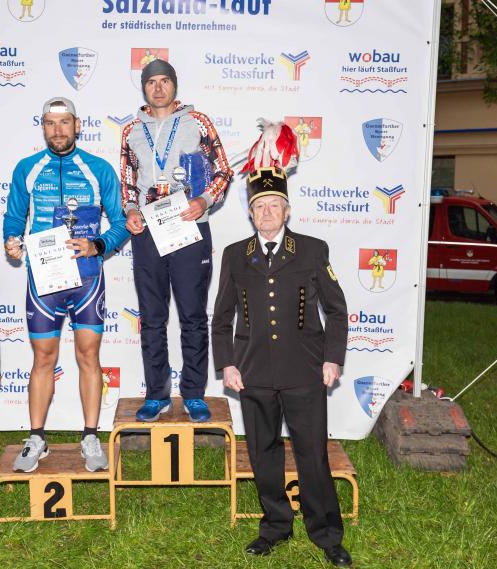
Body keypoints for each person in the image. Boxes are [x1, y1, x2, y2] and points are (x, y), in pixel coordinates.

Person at [211, 167, 353, 567]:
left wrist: (332, 358)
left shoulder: (311, 250)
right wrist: (227, 364)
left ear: (287, 211)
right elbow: (221, 318)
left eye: (275, 205)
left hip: (305, 370)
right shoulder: (235, 255)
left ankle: (326, 534)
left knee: (312, 454)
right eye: (260, 206)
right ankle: (275, 526)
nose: (267, 212)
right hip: (253, 372)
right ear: (250, 213)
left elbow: (336, 310)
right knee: (263, 453)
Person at [3, 97, 129, 473]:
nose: (57, 130)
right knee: (43, 358)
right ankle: (36, 438)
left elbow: (120, 223)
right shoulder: (26, 168)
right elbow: (14, 218)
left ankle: (90, 436)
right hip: (44, 279)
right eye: (50, 123)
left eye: (64, 122)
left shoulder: (99, 169)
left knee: (89, 356)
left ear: (77, 125)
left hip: (86, 276)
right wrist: (12, 240)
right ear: (42, 126)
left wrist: (98, 245)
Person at [120, 59, 233, 422]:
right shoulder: (131, 130)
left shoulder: (197, 122)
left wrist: (205, 200)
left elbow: (223, 170)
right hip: (149, 231)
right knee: (152, 318)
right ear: (143, 88)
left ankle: (194, 393)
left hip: (189, 225)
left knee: (193, 316)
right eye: (151, 82)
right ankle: (157, 394)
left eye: (164, 81)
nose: (158, 88)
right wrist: (130, 210)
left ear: (174, 85)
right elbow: (127, 181)